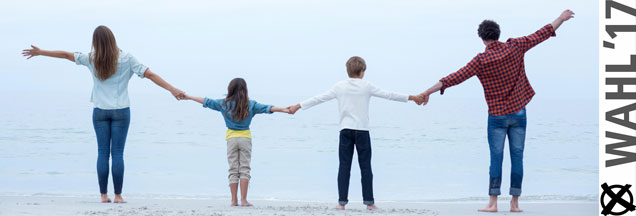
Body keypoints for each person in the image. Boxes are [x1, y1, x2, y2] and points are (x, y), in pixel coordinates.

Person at [418, 10, 575, 212]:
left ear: (482, 39)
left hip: (497, 116)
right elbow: (541, 34)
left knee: (496, 158)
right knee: (518, 156)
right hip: (519, 112)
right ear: (498, 34)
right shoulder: (516, 46)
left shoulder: (480, 61)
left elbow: (454, 77)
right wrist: (561, 19)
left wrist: (427, 91)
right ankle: (515, 203)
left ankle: (493, 203)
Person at [22, 25, 185, 203]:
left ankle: (103, 196)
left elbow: (66, 55)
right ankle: (117, 196)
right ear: (113, 39)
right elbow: (150, 74)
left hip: (100, 111)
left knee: (102, 153)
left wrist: (40, 52)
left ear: (95, 42)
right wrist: (171, 89)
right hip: (121, 111)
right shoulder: (127, 58)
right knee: (117, 153)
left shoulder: (92, 59)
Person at [288, 56, 425, 210]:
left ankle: (341, 203)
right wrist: (413, 98)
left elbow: (319, 98)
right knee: (365, 166)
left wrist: (297, 106)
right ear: (362, 71)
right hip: (362, 131)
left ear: (348, 71)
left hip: (345, 130)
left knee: (344, 166)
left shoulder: (339, 86)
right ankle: (369, 203)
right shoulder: (366, 86)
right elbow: (389, 94)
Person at [182, 78, 290, 207]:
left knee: (233, 169)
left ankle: (233, 201)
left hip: (231, 139)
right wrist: (284, 109)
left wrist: (188, 97)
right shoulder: (251, 104)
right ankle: (244, 201)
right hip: (245, 139)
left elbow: (206, 101)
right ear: (245, 90)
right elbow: (268, 108)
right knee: (245, 169)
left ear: (230, 89)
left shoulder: (224, 104)